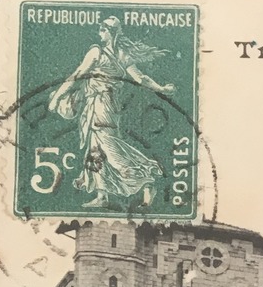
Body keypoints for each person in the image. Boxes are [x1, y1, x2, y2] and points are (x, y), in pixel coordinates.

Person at [48, 16, 175, 209]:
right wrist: (162, 88)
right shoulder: (123, 55)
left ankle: (146, 180)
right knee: (96, 149)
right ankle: (102, 195)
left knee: (109, 149)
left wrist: (57, 97)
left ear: (110, 32)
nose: (100, 31)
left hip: (101, 105)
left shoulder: (96, 52)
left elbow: (77, 74)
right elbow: (142, 79)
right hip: (108, 106)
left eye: (103, 28)